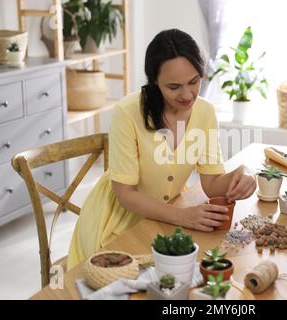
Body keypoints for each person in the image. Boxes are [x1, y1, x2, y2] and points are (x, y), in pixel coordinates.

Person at [67, 29, 256, 269]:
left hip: (168, 219)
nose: (187, 95)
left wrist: (242, 174)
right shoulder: (127, 112)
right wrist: (182, 216)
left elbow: (211, 183)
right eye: (174, 86)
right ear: (154, 81)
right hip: (118, 220)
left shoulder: (205, 112)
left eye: (194, 81)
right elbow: (125, 194)